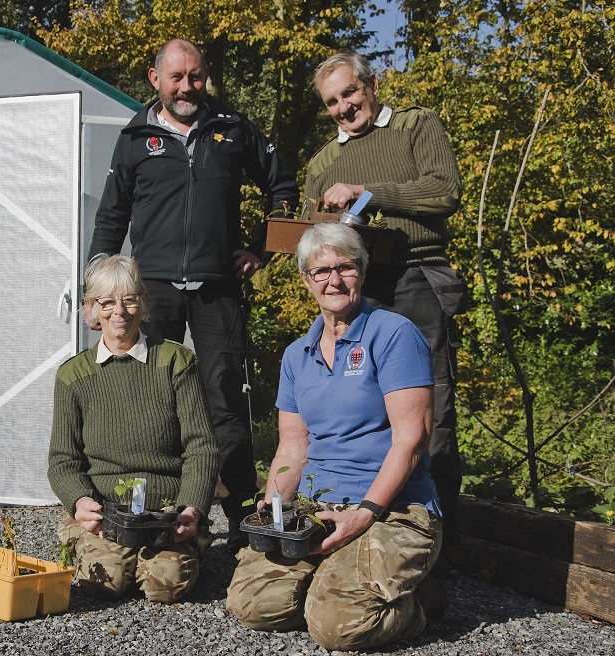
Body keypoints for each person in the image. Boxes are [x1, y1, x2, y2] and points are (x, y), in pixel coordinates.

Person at [87, 38, 300, 551]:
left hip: (217, 289)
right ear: (154, 79)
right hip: (152, 291)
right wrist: (99, 288)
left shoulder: (233, 128)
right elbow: (112, 216)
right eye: (177, 77)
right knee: (148, 395)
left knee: (224, 397)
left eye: (197, 77)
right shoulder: (135, 138)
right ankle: (152, 510)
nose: (188, 87)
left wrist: (260, 251)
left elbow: (284, 189)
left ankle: (240, 516)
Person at [226, 223, 444, 651]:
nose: (333, 279)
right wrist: (273, 508)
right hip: (317, 505)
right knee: (252, 603)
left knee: (337, 626)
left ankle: (422, 602)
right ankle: (336, 581)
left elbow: (412, 440)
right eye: (320, 270)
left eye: (345, 267)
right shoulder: (297, 354)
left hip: (392, 508)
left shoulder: (394, 334)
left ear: (361, 272)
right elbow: (293, 447)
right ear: (306, 279)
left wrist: (364, 514)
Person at [301, 52, 465, 572]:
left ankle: (439, 545)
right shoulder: (325, 160)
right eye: (332, 101)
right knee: (360, 407)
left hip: (416, 275)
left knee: (429, 412)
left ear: (372, 84)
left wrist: (368, 195)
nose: (344, 107)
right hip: (356, 286)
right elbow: (312, 230)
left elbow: (445, 193)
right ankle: (365, 526)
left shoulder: (417, 125)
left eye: (350, 92)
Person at [48, 254, 219, 603]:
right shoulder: (72, 376)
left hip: (167, 514)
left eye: (129, 300)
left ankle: (191, 545)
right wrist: (81, 501)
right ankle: (99, 547)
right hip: (107, 511)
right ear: (92, 308)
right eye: (107, 302)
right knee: (104, 583)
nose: (119, 312)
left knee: (165, 586)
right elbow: (63, 460)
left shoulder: (176, 361)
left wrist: (191, 509)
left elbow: (201, 446)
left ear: (142, 301)